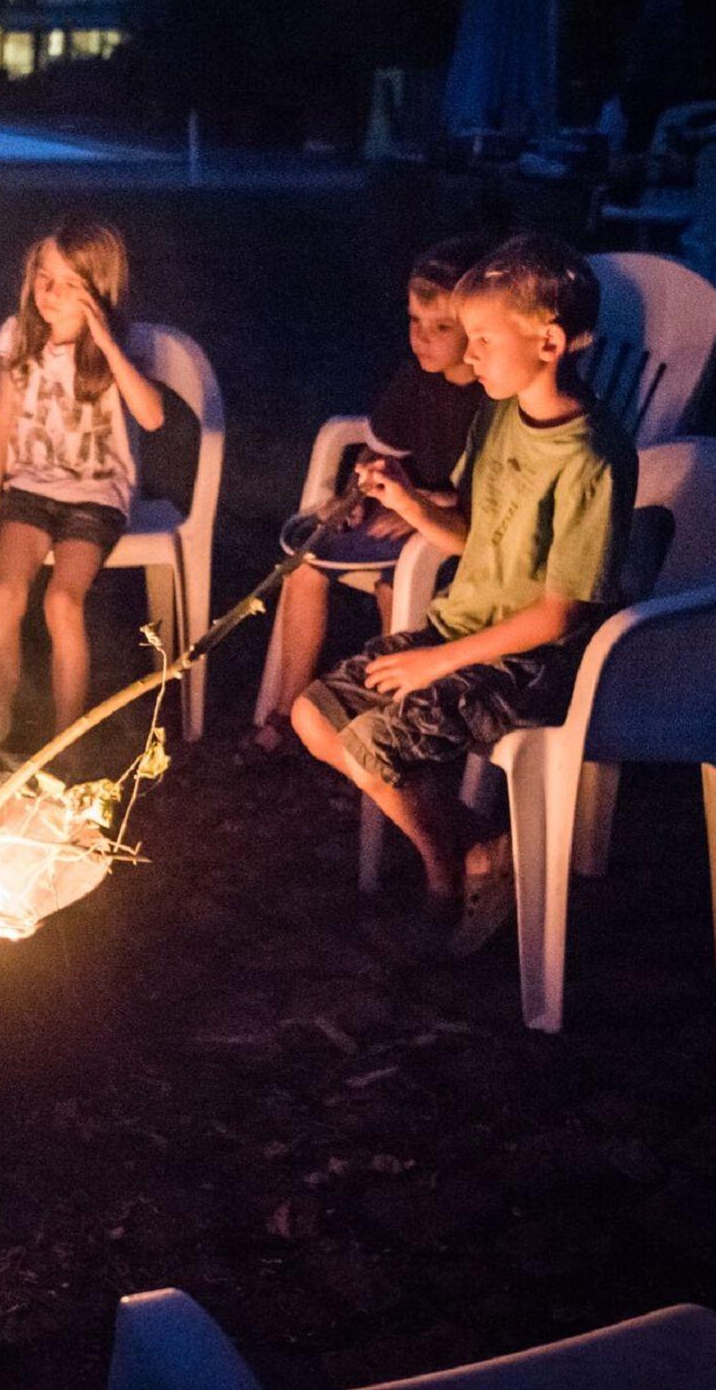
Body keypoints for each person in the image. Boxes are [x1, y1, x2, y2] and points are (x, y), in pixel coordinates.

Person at [290, 235, 636, 958]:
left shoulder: (591, 460)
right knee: (315, 716)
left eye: (482, 339)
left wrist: (437, 662)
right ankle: (482, 847)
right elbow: (472, 531)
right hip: (460, 630)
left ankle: (444, 880)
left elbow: (560, 613)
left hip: (528, 661)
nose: (469, 357)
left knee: (374, 741)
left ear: (547, 343)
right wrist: (408, 501)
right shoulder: (500, 414)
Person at [254, 235, 491, 748]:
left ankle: (388, 726)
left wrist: (420, 506)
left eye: (441, 328)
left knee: (395, 587)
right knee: (305, 566)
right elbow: (376, 451)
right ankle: (287, 708)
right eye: (414, 321)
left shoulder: (491, 396)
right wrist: (355, 495)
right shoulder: (415, 382)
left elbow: (484, 502)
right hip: (400, 514)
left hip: (455, 535)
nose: (422, 338)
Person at [0, 217, 165, 749]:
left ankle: (66, 737)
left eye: (69, 284)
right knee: (5, 593)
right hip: (29, 492)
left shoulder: (112, 351)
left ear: (97, 293)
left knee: (61, 603)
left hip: (95, 499)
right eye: (43, 277)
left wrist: (106, 342)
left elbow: (153, 416)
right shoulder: (20, 341)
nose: (49, 293)